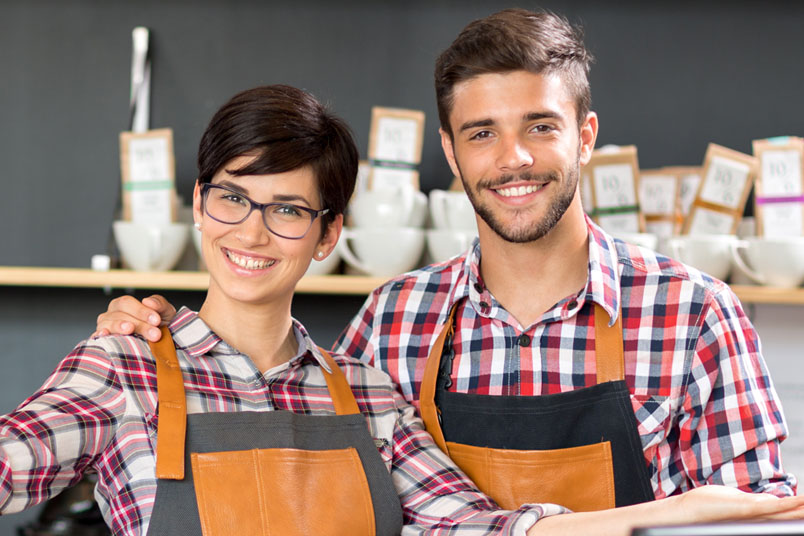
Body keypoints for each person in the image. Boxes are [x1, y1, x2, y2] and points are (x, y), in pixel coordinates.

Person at [94, 10, 804, 535]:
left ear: (585, 136)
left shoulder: (695, 313)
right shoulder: (392, 322)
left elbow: (759, 522)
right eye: (482, 133)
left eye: (540, 126)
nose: (513, 159)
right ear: (450, 149)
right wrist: (161, 344)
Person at [1, 84, 570, 535]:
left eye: (289, 210)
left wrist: (644, 525)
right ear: (199, 205)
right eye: (232, 198)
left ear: (328, 235)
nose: (251, 234)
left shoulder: (368, 395)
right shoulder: (125, 367)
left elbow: (472, 525)